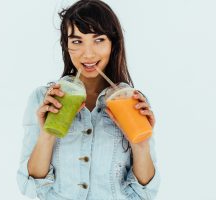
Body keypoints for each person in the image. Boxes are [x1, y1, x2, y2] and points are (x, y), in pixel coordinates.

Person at [16, 0, 160, 199]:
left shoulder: (130, 100)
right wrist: (47, 133)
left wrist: (141, 144)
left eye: (99, 40)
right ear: (66, 45)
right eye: (77, 41)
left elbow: (144, 192)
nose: (88, 53)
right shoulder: (44, 99)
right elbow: (31, 187)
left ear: (113, 44)